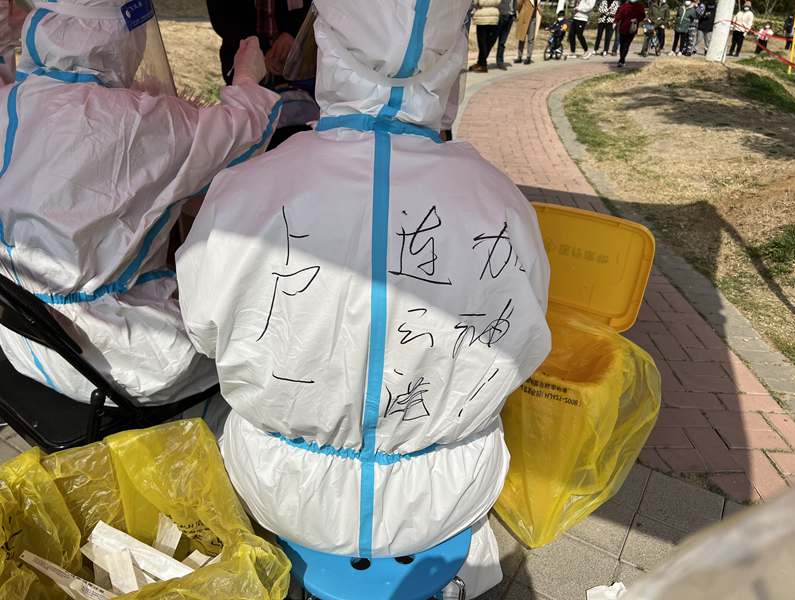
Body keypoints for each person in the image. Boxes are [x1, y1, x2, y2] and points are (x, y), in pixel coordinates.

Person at [176, 0, 551, 594]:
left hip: (282, 492)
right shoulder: (502, 202)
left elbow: (203, 330)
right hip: (441, 497)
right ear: (451, 56)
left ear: (328, 43)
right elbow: (525, 347)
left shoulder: (246, 187)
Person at [0, 1, 282, 407]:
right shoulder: (139, 119)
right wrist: (248, 78)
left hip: (27, 342)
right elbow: (243, 132)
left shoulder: (13, 101)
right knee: (261, 341)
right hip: (118, 358)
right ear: (116, 36)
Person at [206, 0, 312, 87]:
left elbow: (314, 6)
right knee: (245, 101)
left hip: (299, 65)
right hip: (244, 62)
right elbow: (222, 17)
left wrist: (292, 32)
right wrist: (259, 49)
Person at [471, 0, 502, 72]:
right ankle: (480, 63)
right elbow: (499, 2)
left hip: (482, 16)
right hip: (494, 16)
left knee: (482, 43)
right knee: (488, 42)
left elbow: (475, 2)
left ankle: (483, 65)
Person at [615, 0, 647, 65]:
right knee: (622, 44)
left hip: (632, 28)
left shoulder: (639, 6)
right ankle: (622, 59)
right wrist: (615, 21)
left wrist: (636, 19)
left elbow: (642, 16)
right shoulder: (625, 5)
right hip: (623, 27)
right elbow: (620, 14)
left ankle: (622, 60)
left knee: (626, 44)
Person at [515, 0, 540, 64]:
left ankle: (529, 57)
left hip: (533, 19)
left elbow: (538, 7)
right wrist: (521, 13)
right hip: (524, 18)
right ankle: (519, 57)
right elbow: (519, 4)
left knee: (531, 39)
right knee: (522, 38)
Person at [495, 0, 516, 69]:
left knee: (503, 41)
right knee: (491, 39)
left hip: (510, 17)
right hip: (501, 16)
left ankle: (500, 61)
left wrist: (514, 13)